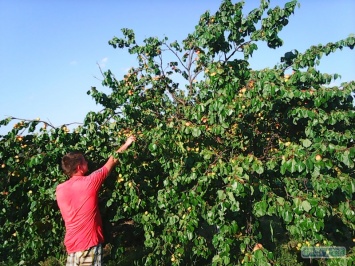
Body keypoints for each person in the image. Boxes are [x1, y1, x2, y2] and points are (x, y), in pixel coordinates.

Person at [56, 135, 136, 266]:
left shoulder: (59, 189)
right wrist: (127, 144)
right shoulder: (90, 182)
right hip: (88, 243)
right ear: (79, 167)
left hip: (71, 245)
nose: (87, 163)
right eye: (84, 161)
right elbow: (113, 160)